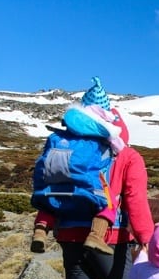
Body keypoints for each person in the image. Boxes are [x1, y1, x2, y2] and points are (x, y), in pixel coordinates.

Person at [32, 77, 155, 279]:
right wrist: (147, 241)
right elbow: (135, 202)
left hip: (68, 237)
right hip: (108, 240)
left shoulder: (63, 147)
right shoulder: (127, 157)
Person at [31, 76, 128, 256]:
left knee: (48, 201)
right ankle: (96, 236)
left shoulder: (68, 125)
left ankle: (40, 231)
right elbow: (119, 146)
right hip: (84, 184)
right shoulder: (101, 130)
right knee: (108, 202)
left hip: (55, 182)